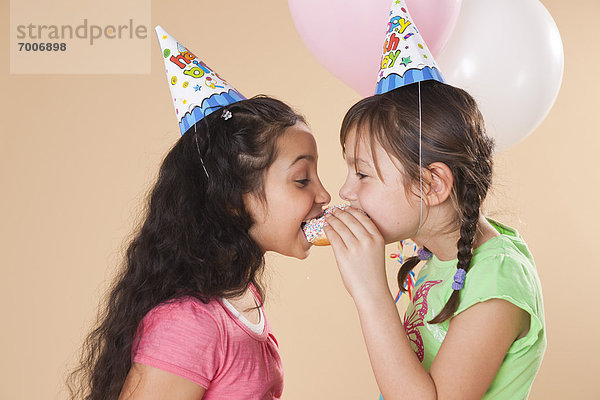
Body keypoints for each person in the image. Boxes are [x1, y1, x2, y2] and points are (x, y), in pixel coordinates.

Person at [67, 26, 330, 400]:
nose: (324, 194)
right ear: (233, 200)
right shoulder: (190, 324)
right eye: (302, 179)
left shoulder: (240, 298)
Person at [324, 79, 546, 399]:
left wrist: (370, 292)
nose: (345, 192)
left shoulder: (498, 279)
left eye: (362, 175)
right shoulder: (440, 255)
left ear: (430, 184)